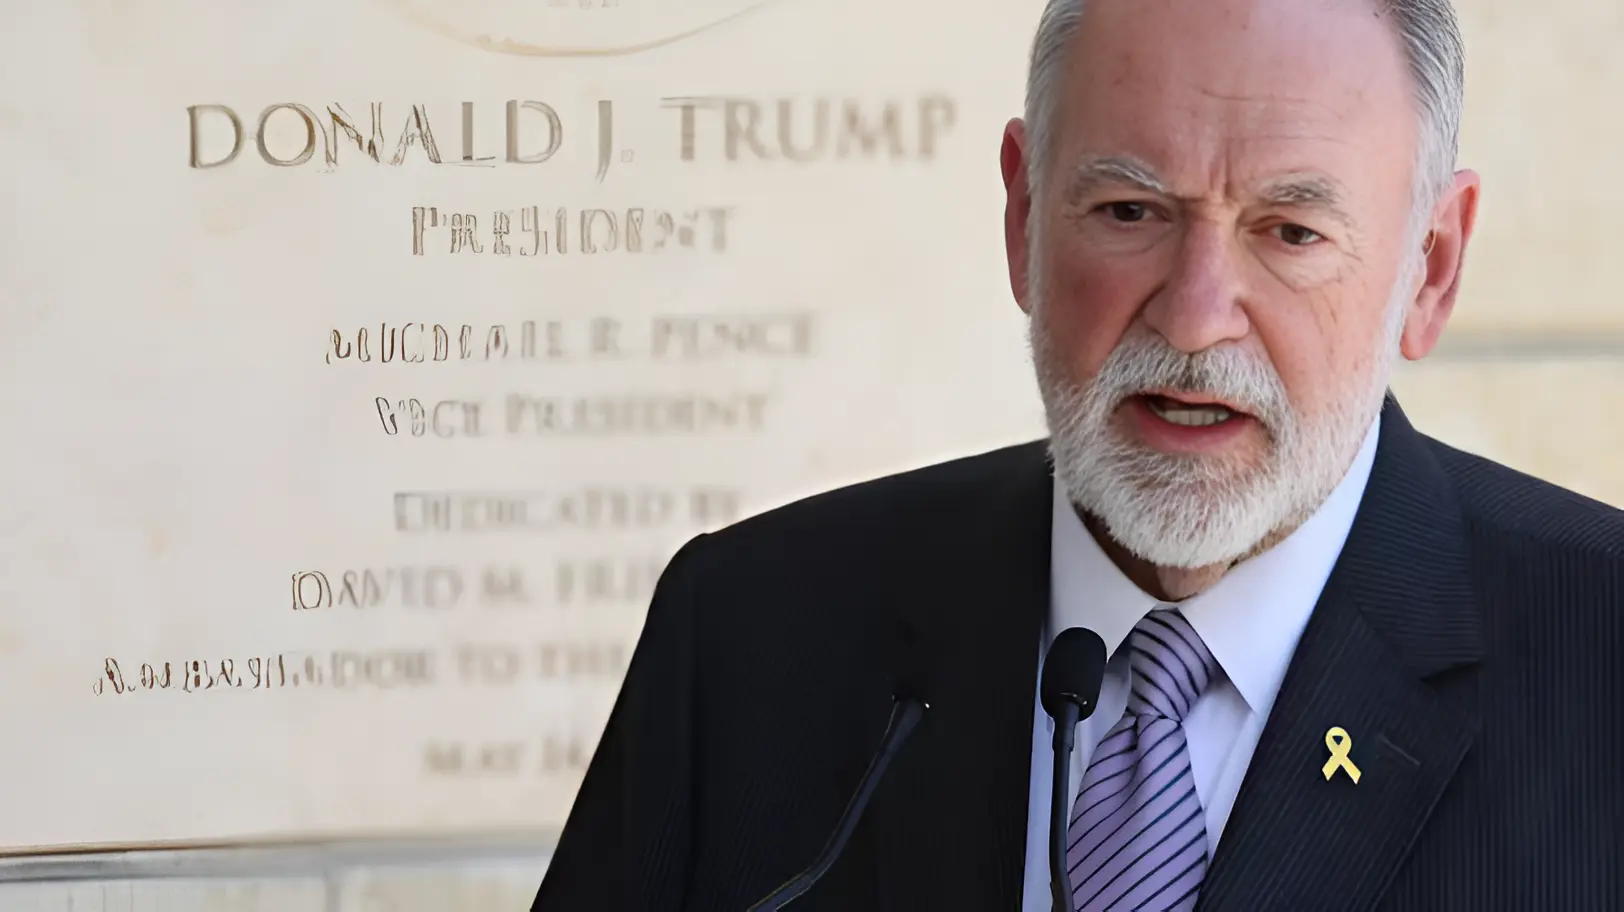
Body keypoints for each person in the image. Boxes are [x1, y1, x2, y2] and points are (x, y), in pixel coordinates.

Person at [532, 0, 1624, 908]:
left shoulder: (1599, 658)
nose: (1195, 317)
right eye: (1130, 210)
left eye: (1291, 232)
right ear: (1023, 217)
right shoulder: (746, 633)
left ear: (1431, 267)